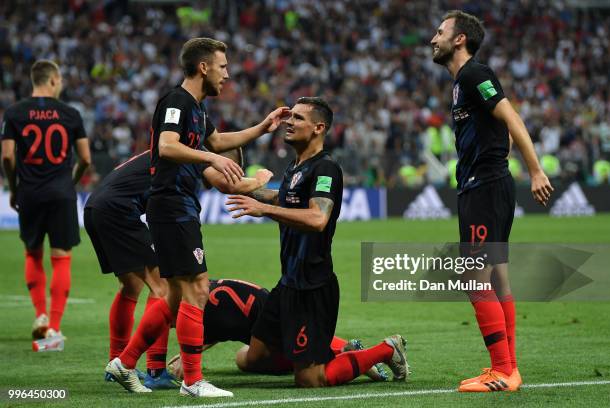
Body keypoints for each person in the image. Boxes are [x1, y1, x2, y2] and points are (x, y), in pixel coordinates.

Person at [105, 37, 289, 397]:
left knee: (175, 297)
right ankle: (192, 381)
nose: (227, 74)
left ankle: (124, 362)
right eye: (222, 66)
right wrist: (210, 159)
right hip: (171, 206)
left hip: (180, 206)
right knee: (198, 287)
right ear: (203, 67)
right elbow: (167, 146)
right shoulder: (177, 100)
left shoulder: (198, 109)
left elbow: (219, 142)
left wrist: (261, 127)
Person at [226, 97, 409, 388]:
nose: (289, 121)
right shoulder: (296, 167)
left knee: (310, 380)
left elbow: (317, 218)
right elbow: (282, 198)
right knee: (250, 358)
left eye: (298, 118)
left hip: (312, 288)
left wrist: (264, 210)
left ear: (318, 128)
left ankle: (385, 350)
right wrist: (250, 192)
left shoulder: (326, 169)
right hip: (287, 284)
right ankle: (331, 350)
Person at [430, 11, 554, 392]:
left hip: (483, 187)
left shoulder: (472, 75)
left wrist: (535, 171)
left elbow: (511, 117)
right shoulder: (460, 83)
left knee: (474, 277)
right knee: (497, 277)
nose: (433, 39)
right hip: (486, 184)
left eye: (440, 32)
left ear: (459, 39)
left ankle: (500, 369)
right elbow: (501, 125)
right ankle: (510, 369)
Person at [86, 148, 273, 389]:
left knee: (130, 285)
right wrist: (259, 179)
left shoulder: (181, 151)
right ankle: (154, 370)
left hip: (97, 206)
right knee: (163, 288)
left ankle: (116, 362)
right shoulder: (192, 154)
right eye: (231, 167)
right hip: (119, 211)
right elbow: (228, 185)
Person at [1, 60, 91, 344]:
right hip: (61, 193)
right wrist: (70, 183)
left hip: (29, 192)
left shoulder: (14, 113)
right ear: (53, 80)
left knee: (33, 253)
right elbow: (86, 159)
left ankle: (40, 314)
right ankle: (53, 328)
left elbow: (6, 156)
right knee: (62, 256)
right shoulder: (71, 114)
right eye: (60, 79)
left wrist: (14, 187)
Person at [165, 278, 388, 382]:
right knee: (243, 358)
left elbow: (217, 327)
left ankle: (346, 354)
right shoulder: (201, 291)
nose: (171, 326)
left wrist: (189, 358)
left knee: (255, 360)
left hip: (274, 320)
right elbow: (222, 323)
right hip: (271, 308)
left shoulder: (200, 311)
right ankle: (344, 349)